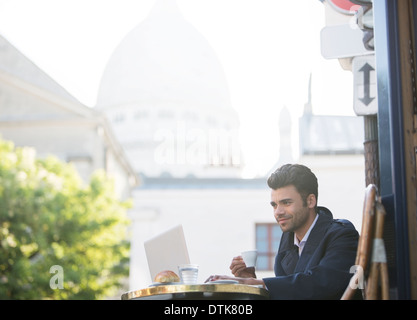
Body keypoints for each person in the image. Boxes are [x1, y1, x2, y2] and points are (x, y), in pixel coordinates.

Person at [206, 163, 360, 299]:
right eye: (274, 205)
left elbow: (321, 284)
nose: (278, 212)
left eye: (286, 203)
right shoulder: (288, 238)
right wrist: (252, 284)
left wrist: (254, 283)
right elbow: (292, 292)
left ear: (310, 201)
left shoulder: (342, 234)